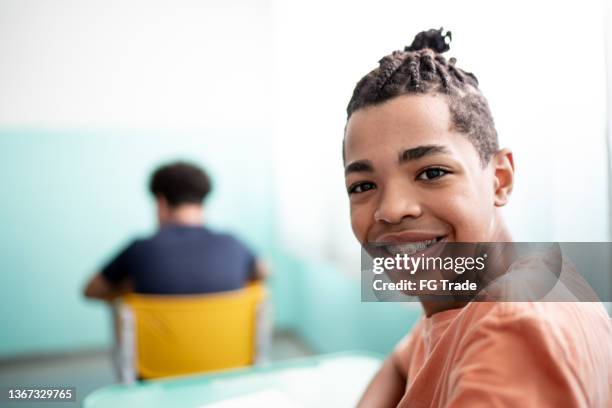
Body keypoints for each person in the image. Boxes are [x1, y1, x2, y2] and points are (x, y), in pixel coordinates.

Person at [343, 28, 611, 407]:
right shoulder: (511, 281)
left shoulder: (512, 331)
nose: (391, 209)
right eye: (362, 186)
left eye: (432, 172)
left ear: (500, 179)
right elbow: (404, 360)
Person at [83, 161, 266, 300]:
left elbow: (90, 290)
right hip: (227, 349)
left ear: (160, 202)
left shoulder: (139, 249)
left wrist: (131, 287)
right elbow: (264, 272)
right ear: (202, 201)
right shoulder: (233, 243)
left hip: (158, 351)